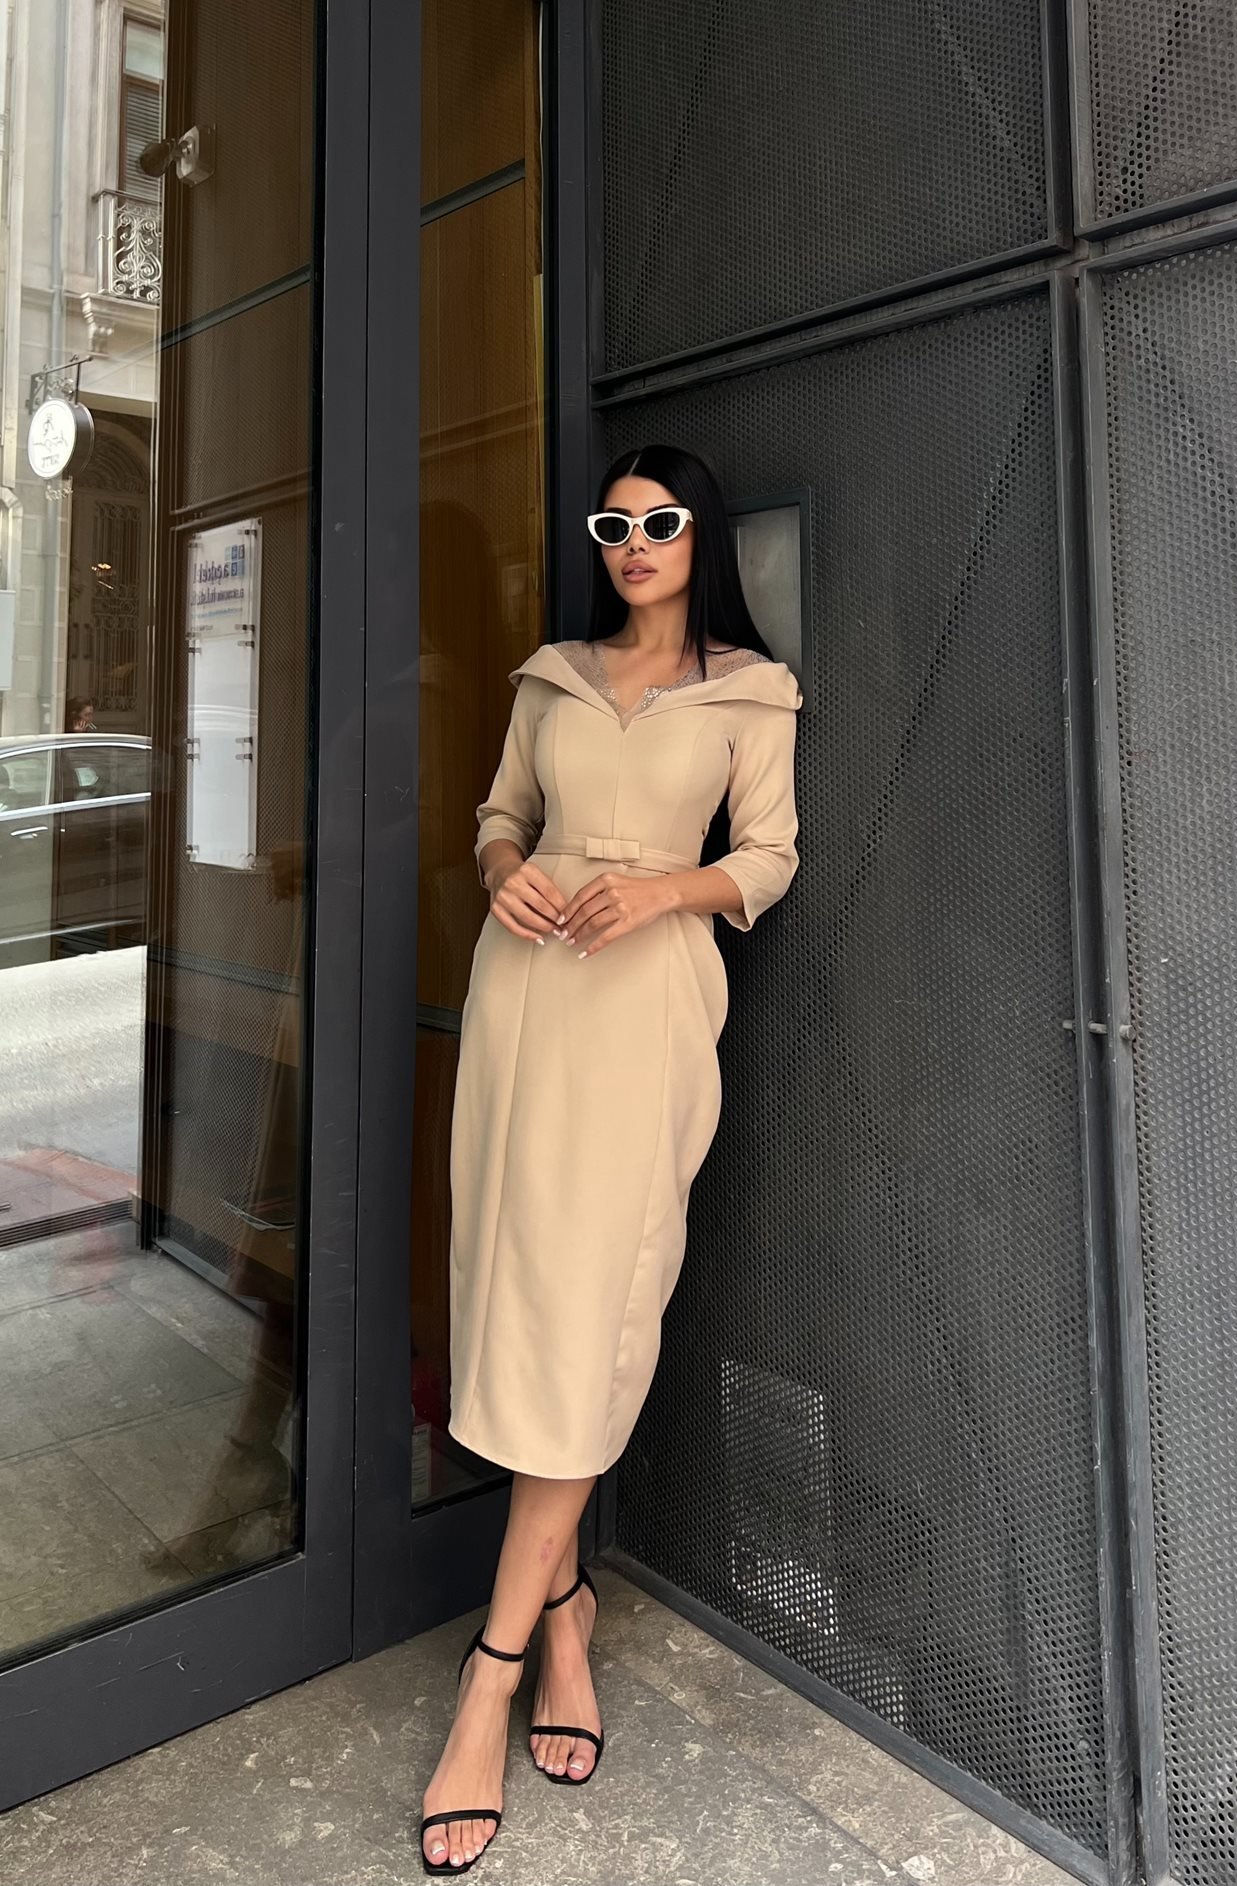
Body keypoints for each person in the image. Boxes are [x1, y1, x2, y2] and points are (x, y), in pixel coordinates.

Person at [419, 443, 804, 1874]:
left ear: (701, 537)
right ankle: (567, 1610)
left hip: (647, 1012)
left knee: (597, 1310)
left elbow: (769, 857)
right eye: (615, 524)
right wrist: (503, 868)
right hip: (526, 1001)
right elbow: (497, 819)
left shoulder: (751, 695)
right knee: (523, 1295)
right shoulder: (551, 680)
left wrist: (662, 892)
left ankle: (494, 1669)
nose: (634, 542)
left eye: (661, 521)